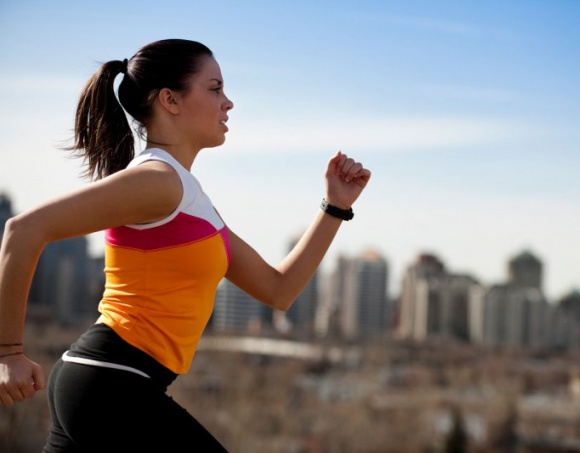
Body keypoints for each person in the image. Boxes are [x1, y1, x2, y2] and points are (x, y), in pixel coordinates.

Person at [0, 39, 370, 452]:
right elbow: (23, 230)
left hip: (106, 382)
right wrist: (8, 353)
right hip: (114, 382)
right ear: (170, 100)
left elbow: (278, 289)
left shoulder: (189, 197)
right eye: (215, 89)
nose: (228, 103)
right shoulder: (157, 181)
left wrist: (335, 207)